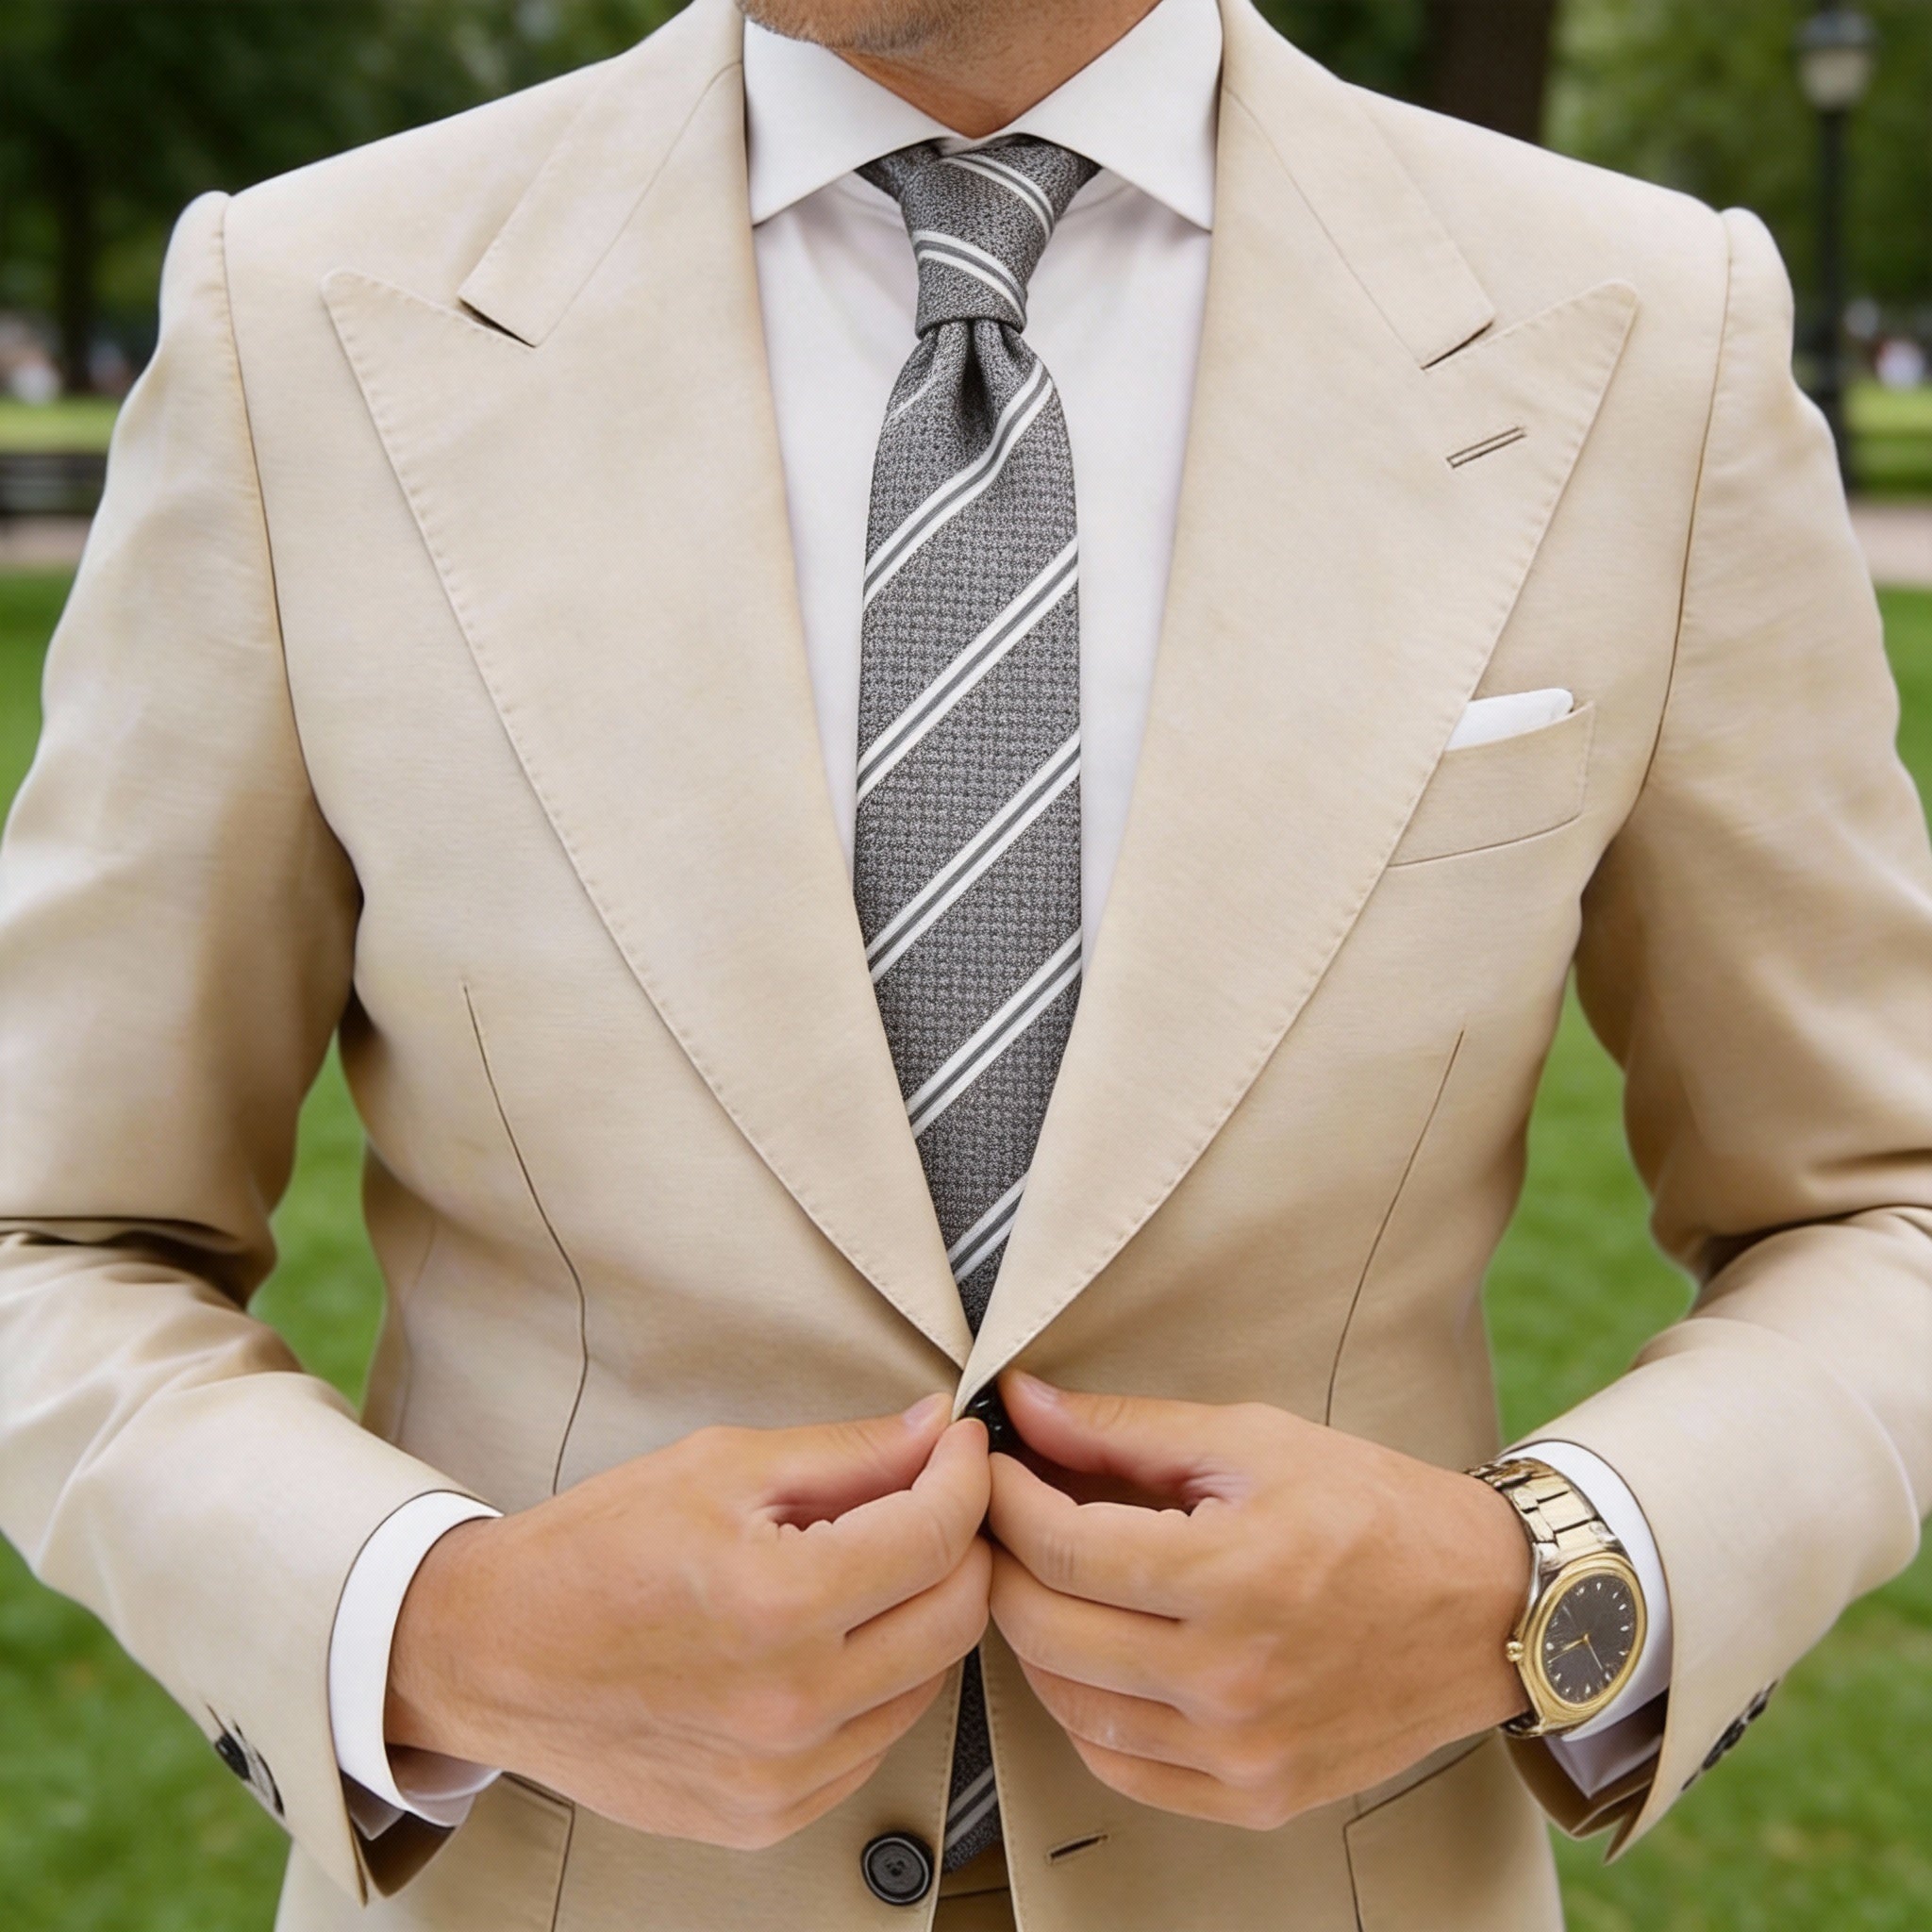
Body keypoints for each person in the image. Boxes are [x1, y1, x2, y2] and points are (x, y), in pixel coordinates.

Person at [2, 0, 1928, 1925]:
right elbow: (54, 1232)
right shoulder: (306, 315)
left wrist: (1542, 1591)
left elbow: (1880, 1205)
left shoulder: (1644, 332)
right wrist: (438, 1628)